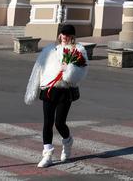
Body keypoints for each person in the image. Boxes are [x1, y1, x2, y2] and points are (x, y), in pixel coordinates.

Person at [25, 24, 88, 168]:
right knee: (47, 122)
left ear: (73, 36)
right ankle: (47, 155)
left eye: (68, 34)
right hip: (49, 90)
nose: (65, 37)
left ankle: (67, 141)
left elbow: (81, 73)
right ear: (59, 35)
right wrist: (32, 90)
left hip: (65, 91)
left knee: (59, 123)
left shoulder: (79, 50)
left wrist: (68, 70)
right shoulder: (50, 49)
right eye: (63, 34)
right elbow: (38, 69)